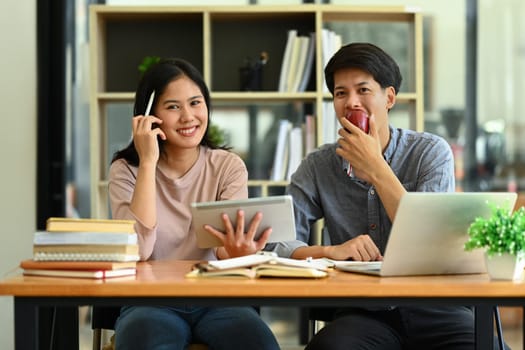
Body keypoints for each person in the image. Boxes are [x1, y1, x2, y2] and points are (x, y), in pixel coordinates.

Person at [267, 42, 507, 349]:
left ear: (389, 97)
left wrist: (376, 168)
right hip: (362, 313)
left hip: (436, 307)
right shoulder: (319, 165)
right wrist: (330, 252)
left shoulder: (430, 153)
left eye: (363, 90)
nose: (351, 102)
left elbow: (430, 239)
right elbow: (278, 241)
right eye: (341, 93)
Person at [108, 57, 280, 350]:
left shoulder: (228, 166)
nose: (188, 116)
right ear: (149, 115)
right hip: (150, 302)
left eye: (196, 103)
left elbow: (226, 251)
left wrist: (239, 253)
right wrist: (148, 162)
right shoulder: (126, 170)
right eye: (173, 106)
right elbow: (138, 251)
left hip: (219, 299)